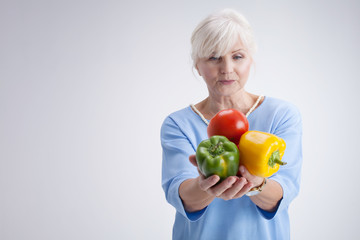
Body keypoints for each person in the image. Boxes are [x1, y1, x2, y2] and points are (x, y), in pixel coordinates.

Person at [160, 8, 302, 240]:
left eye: (237, 56)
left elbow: (284, 191)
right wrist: (204, 186)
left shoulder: (282, 114)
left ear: (250, 60)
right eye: (214, 57)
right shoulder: (178, 123)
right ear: (198, 65)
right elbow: (180, 193)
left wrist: (256, 185)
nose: (227, 68)